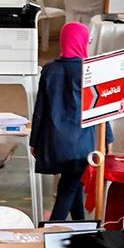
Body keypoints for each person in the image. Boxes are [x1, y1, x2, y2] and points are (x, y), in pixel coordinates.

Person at [30, 22, 111, 220]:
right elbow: (102, 108)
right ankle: (51, 231)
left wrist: (35, 140)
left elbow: (40, 110)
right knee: (69, 187)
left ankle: (80, 226)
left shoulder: (49, 70)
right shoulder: (91, 71)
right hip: (83, 142)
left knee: (72, 180)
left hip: (55, 141)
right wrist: (107, 138)